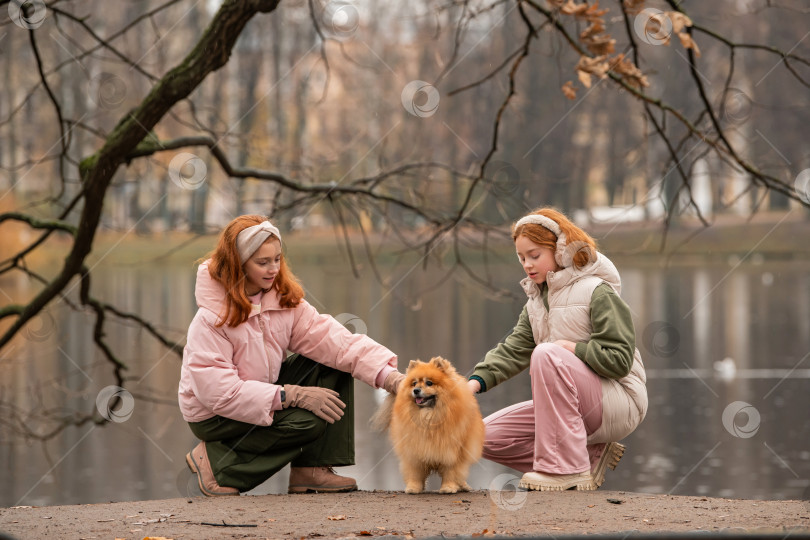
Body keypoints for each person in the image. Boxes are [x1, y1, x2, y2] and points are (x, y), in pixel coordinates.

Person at [178, 215, 405, 496]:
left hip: (265, 391)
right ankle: (216, 465)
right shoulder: (211, 319)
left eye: (277, 259)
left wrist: (391, 379)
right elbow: (219, 394)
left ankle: (312, 470)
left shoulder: (283, 300)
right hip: (214, 414)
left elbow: (338, 344)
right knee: (307, 422)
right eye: (262, 262)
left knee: (335, 361)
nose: (273, 269)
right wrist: (292, 396)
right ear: (239, 264)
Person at [467, 207, 647, 491]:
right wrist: (473, 384)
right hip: (569, 408)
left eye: (535, 255)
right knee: (476, 437)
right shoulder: (536, 302)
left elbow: (620, 360)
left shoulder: (597, 291)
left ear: (561, 250)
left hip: (619, 402)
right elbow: (514, 349)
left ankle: (565, 470)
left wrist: (573, 349)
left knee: (547, 353)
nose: (527, 264)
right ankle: (585, 459)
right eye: (521, 257)